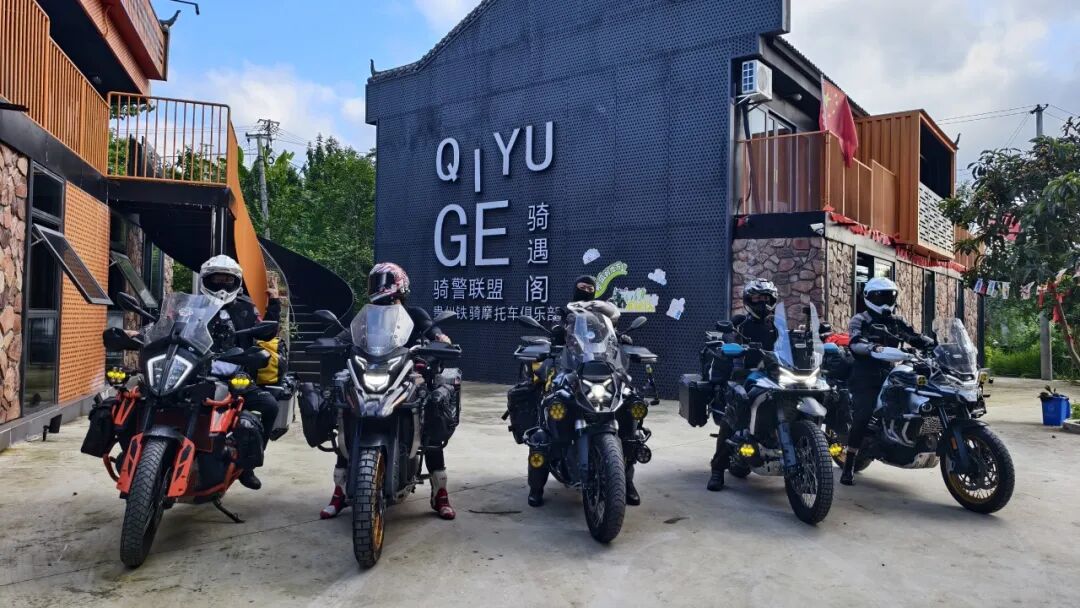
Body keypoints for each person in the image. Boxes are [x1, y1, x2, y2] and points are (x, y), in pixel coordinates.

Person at [321, 262, 458, 520]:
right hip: (372, 375)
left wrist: (441, 340)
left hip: (405, 376)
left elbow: (432, 330)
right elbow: (346, 336)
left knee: (430, 422)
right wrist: (332, 342)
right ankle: (339, 491)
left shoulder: (414, 314)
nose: (380, 288)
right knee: (347, 415)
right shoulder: (367, 318)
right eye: (376, 282)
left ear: (400, 286)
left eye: (385, 282)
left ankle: (440, 493)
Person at [527, 274, 645, 508]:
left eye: (590, 289)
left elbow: (608, 340)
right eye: (582, 287)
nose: (586, 291)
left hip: (601, 369)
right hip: (571, 369)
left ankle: (626, 481)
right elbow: (563, 338)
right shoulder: (566, 313)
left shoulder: (603, 315)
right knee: (547, 422)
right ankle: (536, 486)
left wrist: (622, 338)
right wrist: (556, 335)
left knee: (630, 412)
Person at [841, 277, 935, 486]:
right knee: (864, 413)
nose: (885, 302)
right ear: (869, 298)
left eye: (889, 297)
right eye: (880, 297)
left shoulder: (896, 321)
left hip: (890, 371)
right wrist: (872, 348)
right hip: (865, 373)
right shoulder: (860, 319)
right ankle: (849, 464)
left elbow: (914, 336)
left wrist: (933, 344)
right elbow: (854, 342)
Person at [198, 255, 281, 491]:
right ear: (206, 280)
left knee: (270, 406)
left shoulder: (246, 307)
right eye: (217, 279)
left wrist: (274, 303)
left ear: (236, 282)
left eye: (227, 280)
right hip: (198, 374)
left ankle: (247, 466)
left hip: (237, 378)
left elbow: (267, 333)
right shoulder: (194, 306)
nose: (222, 285)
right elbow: (171, 325)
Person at [704, 279, 780, 492]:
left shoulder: (777, 325)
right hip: (742, 374)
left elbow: (788, 344)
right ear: (748, 300)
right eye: (757, 298)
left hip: (772, 375)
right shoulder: (739, 323)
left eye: (766, 298)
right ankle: (717, 469)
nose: (762, 302)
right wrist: (733, 344)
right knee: (734, 413)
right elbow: (728, 339)